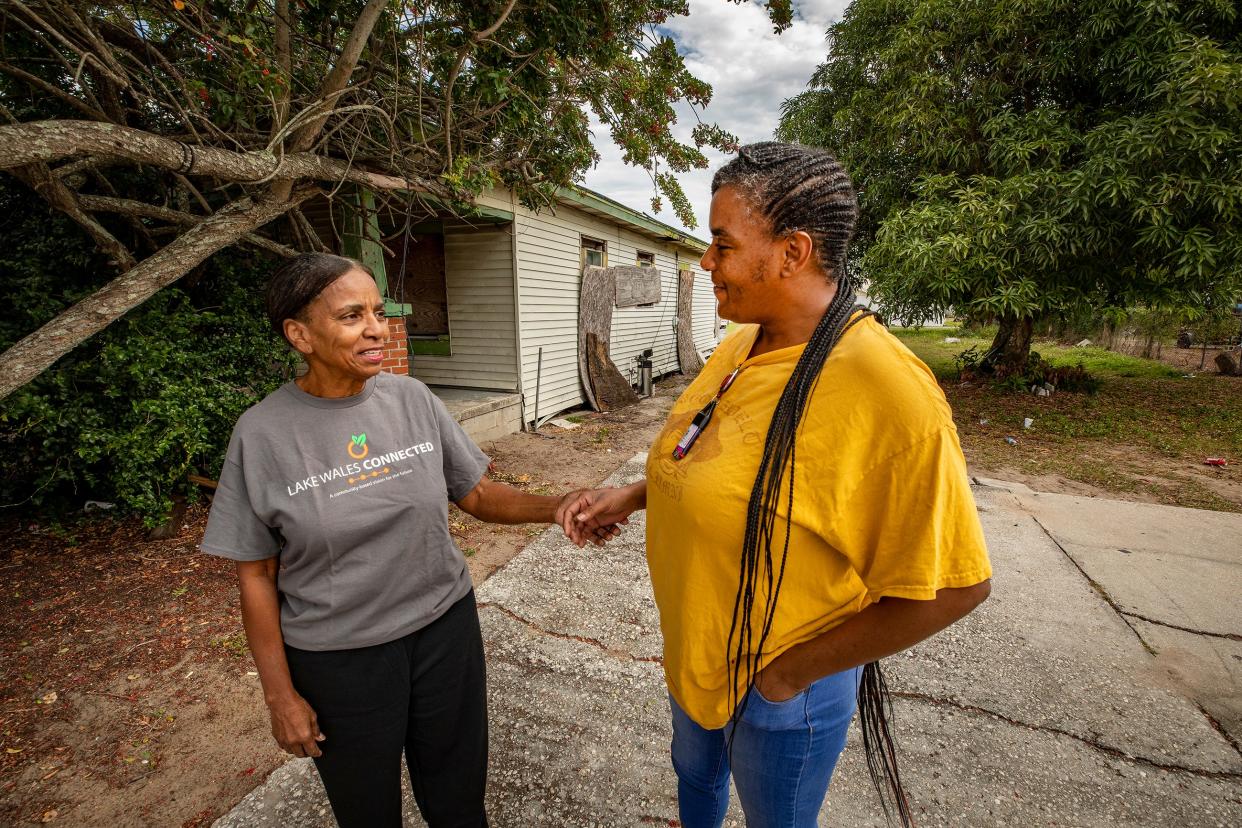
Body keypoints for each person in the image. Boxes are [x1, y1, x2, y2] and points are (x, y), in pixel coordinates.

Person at [562, 143, 993, 828]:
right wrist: (636, 494)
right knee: (695, 783)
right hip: (697, 648)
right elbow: (713, 456)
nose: (707, 262)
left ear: (791, 252)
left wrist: (785, 676)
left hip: (781, 689)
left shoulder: (887, 390)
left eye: (722, 244)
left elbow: (956, 586)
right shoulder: (743, 344)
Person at [200, 253, 596, 828]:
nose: (376, 329)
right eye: (352, 315)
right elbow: (256, 577)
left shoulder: (411, 400)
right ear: (299, 334)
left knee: (459, 800)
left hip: (444, 629)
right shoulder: (263, 433)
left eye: (378, 312)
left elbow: (477, 495)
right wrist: (280, 697)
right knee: (367, 812)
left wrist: (555, 505)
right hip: (342, 660)